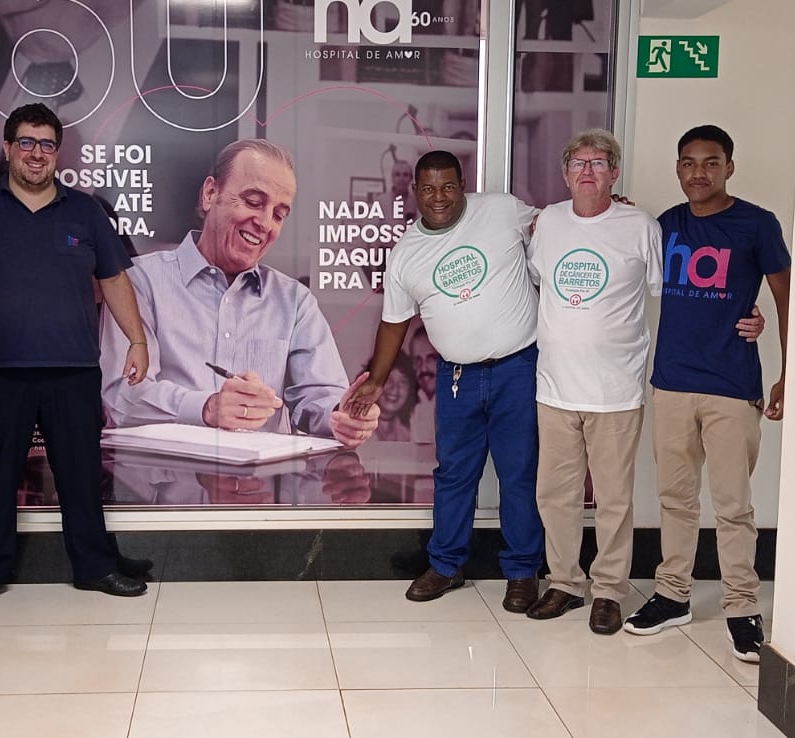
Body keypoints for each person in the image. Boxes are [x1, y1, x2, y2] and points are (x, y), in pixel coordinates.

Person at [0, 102, 153, 611]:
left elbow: (113, 278)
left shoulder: (86, 211)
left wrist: (137, 339)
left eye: (46, 144)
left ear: (57, 153)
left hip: (72, 369)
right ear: (7, 148)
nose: (36, 153)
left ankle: (95, 567)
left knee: (81, 475)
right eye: (26, 142)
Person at [622, 126, 791, 663]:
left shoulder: (757, 224)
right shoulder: (666, 224)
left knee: (733, 505)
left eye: (711, 162)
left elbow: (787, 297)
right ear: (678, 168)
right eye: (689, 163)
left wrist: (790, 370)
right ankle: (673, 596)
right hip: (672, 383)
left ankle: (743, 607)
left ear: (729, 168)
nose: (699, 172)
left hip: (731, 387)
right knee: (675, 499)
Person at [348, 151, 543, 611]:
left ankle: (522, 571)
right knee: (454, 473)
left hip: (518, 368)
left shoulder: (500, 209)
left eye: (449, 186)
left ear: (462, 185)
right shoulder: (406, 254)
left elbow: (554, 227)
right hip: (457, 377)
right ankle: (446, 565)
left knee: (518, 473)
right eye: (430, 189)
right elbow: (394, 323)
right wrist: (377, 380)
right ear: (416, 192)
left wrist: (605, 210)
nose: (439, 197)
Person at [98, 138, 380, 456]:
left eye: (279, 214)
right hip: (161, 483)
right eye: (253, 202)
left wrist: (342, 416)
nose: (265, 223)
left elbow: (320, 397)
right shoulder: (139, 281)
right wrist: (207, 407)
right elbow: (122, 397)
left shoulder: (295, 302)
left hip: (261, 484)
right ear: (210, 193)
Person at [526, 129, 662, 635]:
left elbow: (663, 290)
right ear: (565, 174)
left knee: (614, 501)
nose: (588, 171)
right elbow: (538, 280)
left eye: (599, 163)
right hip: (555, 388)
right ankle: (564, 582)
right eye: (578, 163)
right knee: (554, 496)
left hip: (616, 391)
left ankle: (608, 591)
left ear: (614, 173)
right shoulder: (548, 222)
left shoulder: (640, 226)